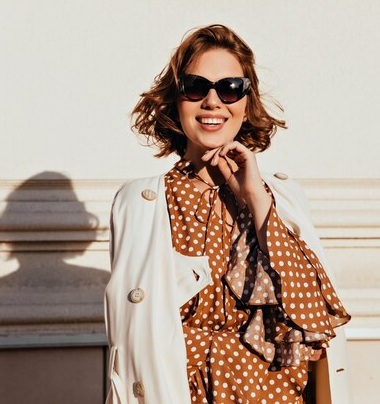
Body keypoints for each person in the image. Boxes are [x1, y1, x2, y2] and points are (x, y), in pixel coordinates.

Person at [104, 24, 351, 404]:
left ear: (247, 103)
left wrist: (255, 198)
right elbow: (127, 341)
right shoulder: (139, 202)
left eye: (230, 88)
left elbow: (314, 321)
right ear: (176, 100)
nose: (213, 101)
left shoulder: (282, 197)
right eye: (196, 87)